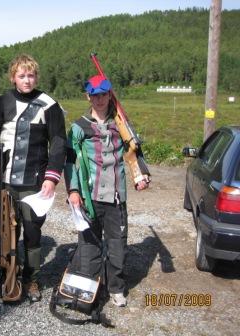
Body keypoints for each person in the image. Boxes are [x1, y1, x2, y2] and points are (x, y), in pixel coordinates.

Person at [0, 54, 66, 302]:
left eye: (31, 75)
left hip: (34, 182)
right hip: (5, 180)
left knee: (32, 232)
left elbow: (59, 143)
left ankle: (32, 279)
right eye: (21, 75)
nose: (26, 80)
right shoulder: (1, 103)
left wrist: (51, 178)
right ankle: (9, 273)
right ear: (13, 77)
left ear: (36, 77)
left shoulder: (49, 105)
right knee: (0, 225)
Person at [64, 74, 149, 307]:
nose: (99, 99)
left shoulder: (121, 126)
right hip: (90, 198)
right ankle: (89, 287)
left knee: (117, 245)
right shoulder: (79, 127)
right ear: (88, 96)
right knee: (89, 245)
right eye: (94, 95)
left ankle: (116, 288)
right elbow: (69, 161)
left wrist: (140, 176)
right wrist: (73, 191)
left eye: (103, 94)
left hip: (116, 197)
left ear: (109, 95)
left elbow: (134, 153)